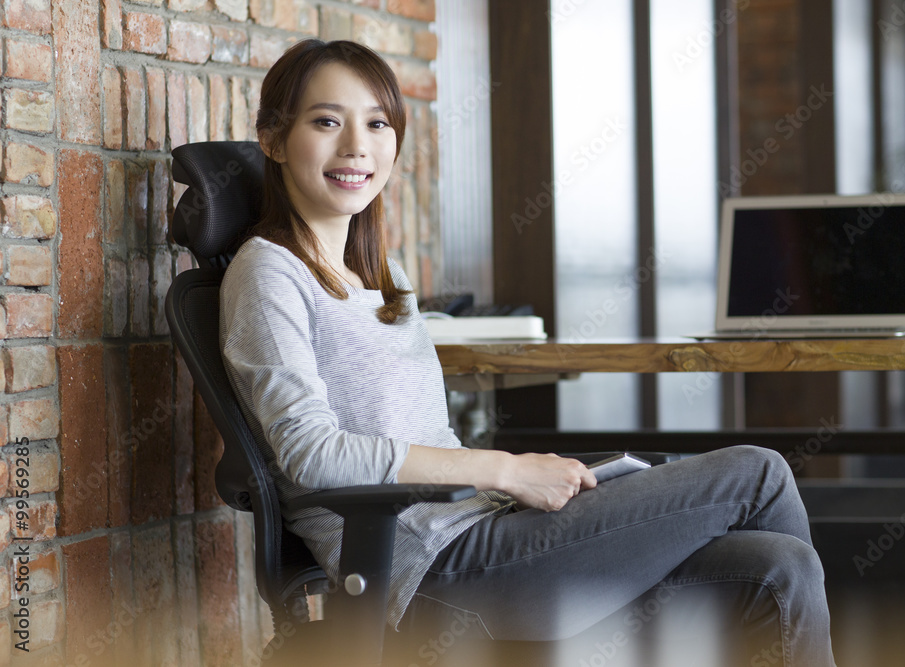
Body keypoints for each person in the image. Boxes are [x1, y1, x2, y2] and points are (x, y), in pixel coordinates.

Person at [219, 39, 837, 666]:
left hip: (492, 529)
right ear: (272, 138)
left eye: (377, 123)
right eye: (327, 121)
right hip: (435, 571)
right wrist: (505, 469)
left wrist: (513, 486)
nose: (357, 145)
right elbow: (311, 453)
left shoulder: (384, 275)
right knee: (761, 471)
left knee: (780, 567)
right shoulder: (268, 274)